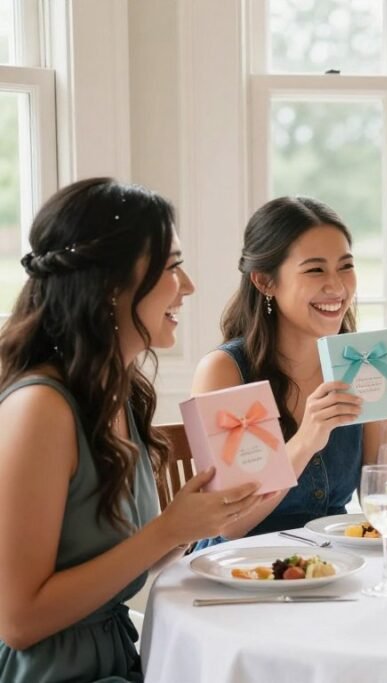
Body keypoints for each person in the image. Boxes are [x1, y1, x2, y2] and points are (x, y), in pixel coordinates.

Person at [0, 178, 261, 682]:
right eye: (172, 267)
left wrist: (194, 525)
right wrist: (168, 528)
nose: (188, 287)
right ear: (111, 285)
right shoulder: (41, 409)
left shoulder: (117, 393)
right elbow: (18, 621)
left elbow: (113, 560)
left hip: (115, 660)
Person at [191, 196, 387, 546]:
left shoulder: (357, 364)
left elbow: (377, 503)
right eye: (315, 270)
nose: (337, 286)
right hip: (240, 574)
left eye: (346, 266)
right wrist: (305, 441)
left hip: (334, 567)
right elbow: (229, 524)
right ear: (265, 282)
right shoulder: (225, 371)